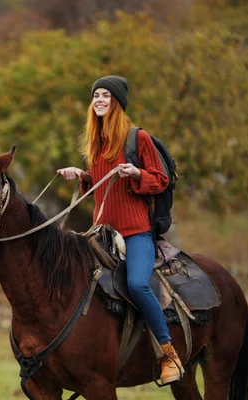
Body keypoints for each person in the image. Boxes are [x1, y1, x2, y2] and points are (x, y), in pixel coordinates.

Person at [57, 75, 183, 385]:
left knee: (138, 284)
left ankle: (168, 353)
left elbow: (161, 179)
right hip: (102, 231)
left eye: (105, 95)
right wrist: (82, 175)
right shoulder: (96, 141)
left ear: (117, 102)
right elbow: (103, 185)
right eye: (95, 95)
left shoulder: (137, 138)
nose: (98, 100)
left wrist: (137, 172)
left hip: (135, 232)